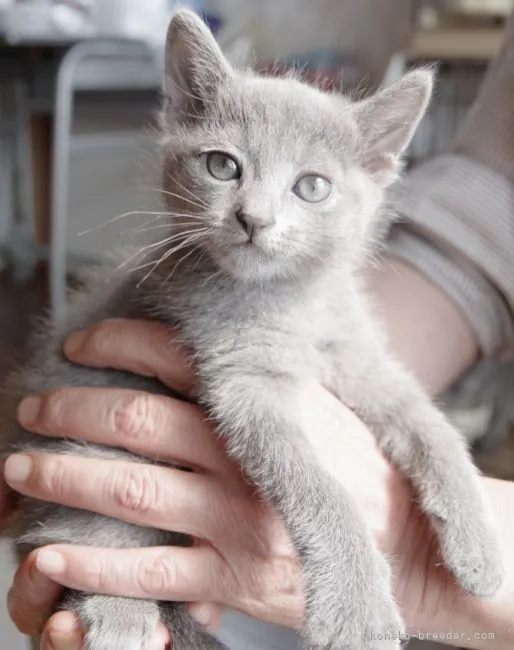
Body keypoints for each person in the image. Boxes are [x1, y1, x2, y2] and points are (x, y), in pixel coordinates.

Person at [4, 9, 514, 650]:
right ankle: (112, 596)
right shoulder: (190, 276)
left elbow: (381, 388)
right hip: (101, 492)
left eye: (310, 185)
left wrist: (450, 491)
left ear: (376, 168)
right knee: (110, 572)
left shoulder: (335, 291)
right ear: (183, 115)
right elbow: (255, 401)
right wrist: (344, 546)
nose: (256, 212)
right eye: (224, 165)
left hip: (182, 520)